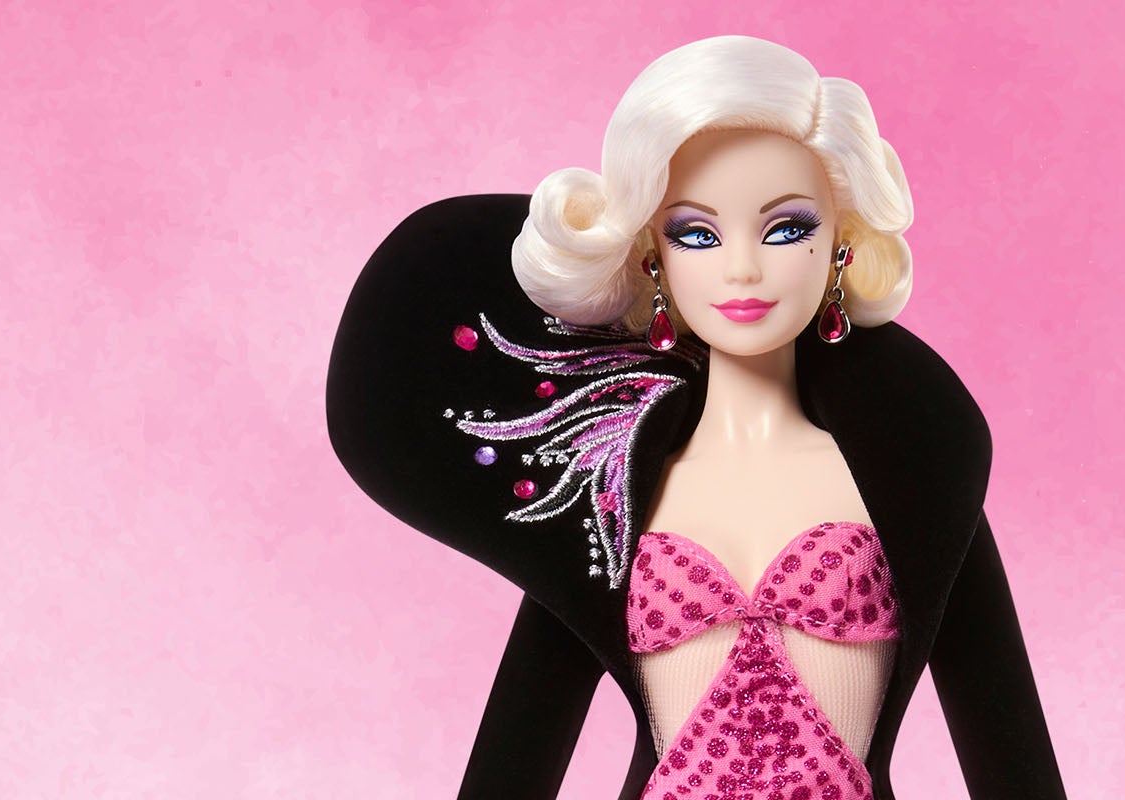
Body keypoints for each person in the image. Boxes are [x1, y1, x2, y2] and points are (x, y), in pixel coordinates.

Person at [326, 35, 1066, 800]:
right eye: (697, 234)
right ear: (653, 255)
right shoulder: (610, 488)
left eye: (787, 228)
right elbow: (515, 762)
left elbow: (1013, 764)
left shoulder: (922, 478)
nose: (741, 267)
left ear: (841, 241)